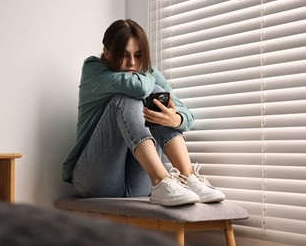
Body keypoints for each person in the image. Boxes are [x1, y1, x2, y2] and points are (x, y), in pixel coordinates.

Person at [62, 19, 225, 206]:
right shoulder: (94, 68)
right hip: (93, 180)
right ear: (107, 53)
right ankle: (161, 179)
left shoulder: (147, 74)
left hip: (138, 185)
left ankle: (188, 177)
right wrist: (151, 78)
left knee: (158, 96)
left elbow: (188, 117)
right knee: (131, 96)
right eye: (124, 55)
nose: (132, 63)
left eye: (139, 56)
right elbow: (137, 87)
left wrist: (175, 118)